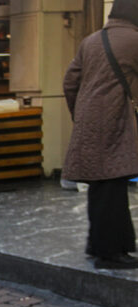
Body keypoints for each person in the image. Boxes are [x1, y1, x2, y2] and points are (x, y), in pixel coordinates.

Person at [62, 0, 138, 270]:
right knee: (113, 186)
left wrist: (80, 114)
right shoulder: (133, 40)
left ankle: (98, 245)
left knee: (100, 186)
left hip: (88, 121)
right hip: (114, 121)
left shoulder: (91, 41)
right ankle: (109, 254)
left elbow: (70, 81)